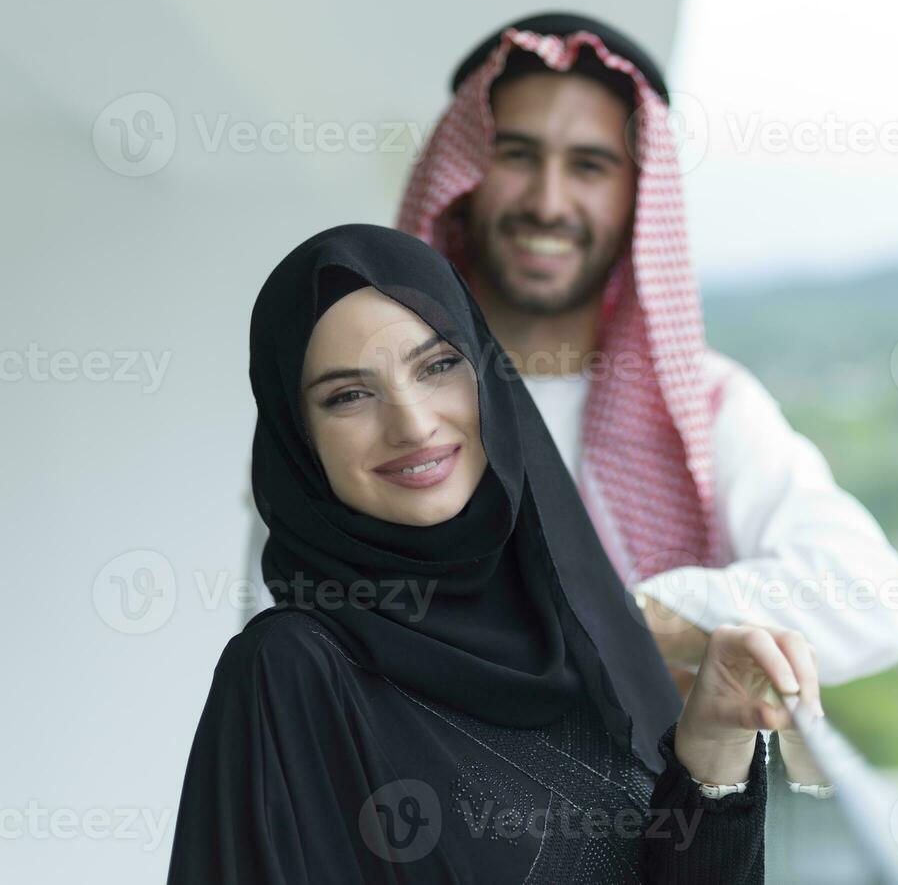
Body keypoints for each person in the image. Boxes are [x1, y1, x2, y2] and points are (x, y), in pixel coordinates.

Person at [167, 223, 828, 884]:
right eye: (348, 395)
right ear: (297, 440)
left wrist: (713, 747)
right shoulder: (291, 671)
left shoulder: (574, 631)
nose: (413, 423)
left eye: (437, 366)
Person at [395, 12, 898, 690]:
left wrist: (617, 619)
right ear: (462, 180)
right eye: (516, 155)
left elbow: (868, 601)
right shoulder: (379, 402)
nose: (549, 202)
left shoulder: (703, 401)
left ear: (638, 194)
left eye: (589, 165)